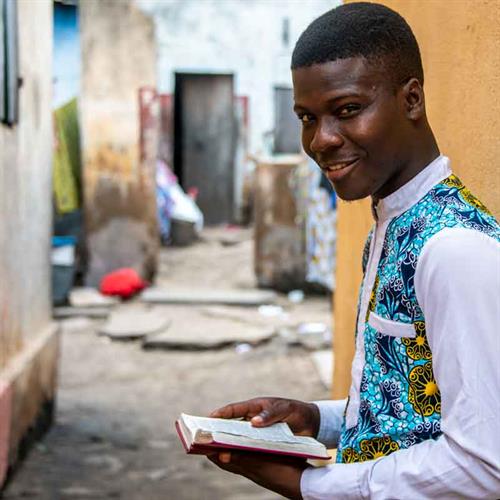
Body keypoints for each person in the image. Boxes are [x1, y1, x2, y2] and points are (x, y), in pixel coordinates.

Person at [207, 3, 500, 499]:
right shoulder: (392, 226)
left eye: (346, 111)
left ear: (411, 101)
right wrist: (314, 418)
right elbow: (412, 408)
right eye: (307, 117)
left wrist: (315, 486)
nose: (320, 140)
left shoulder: (452, 250)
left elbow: (482, 464)